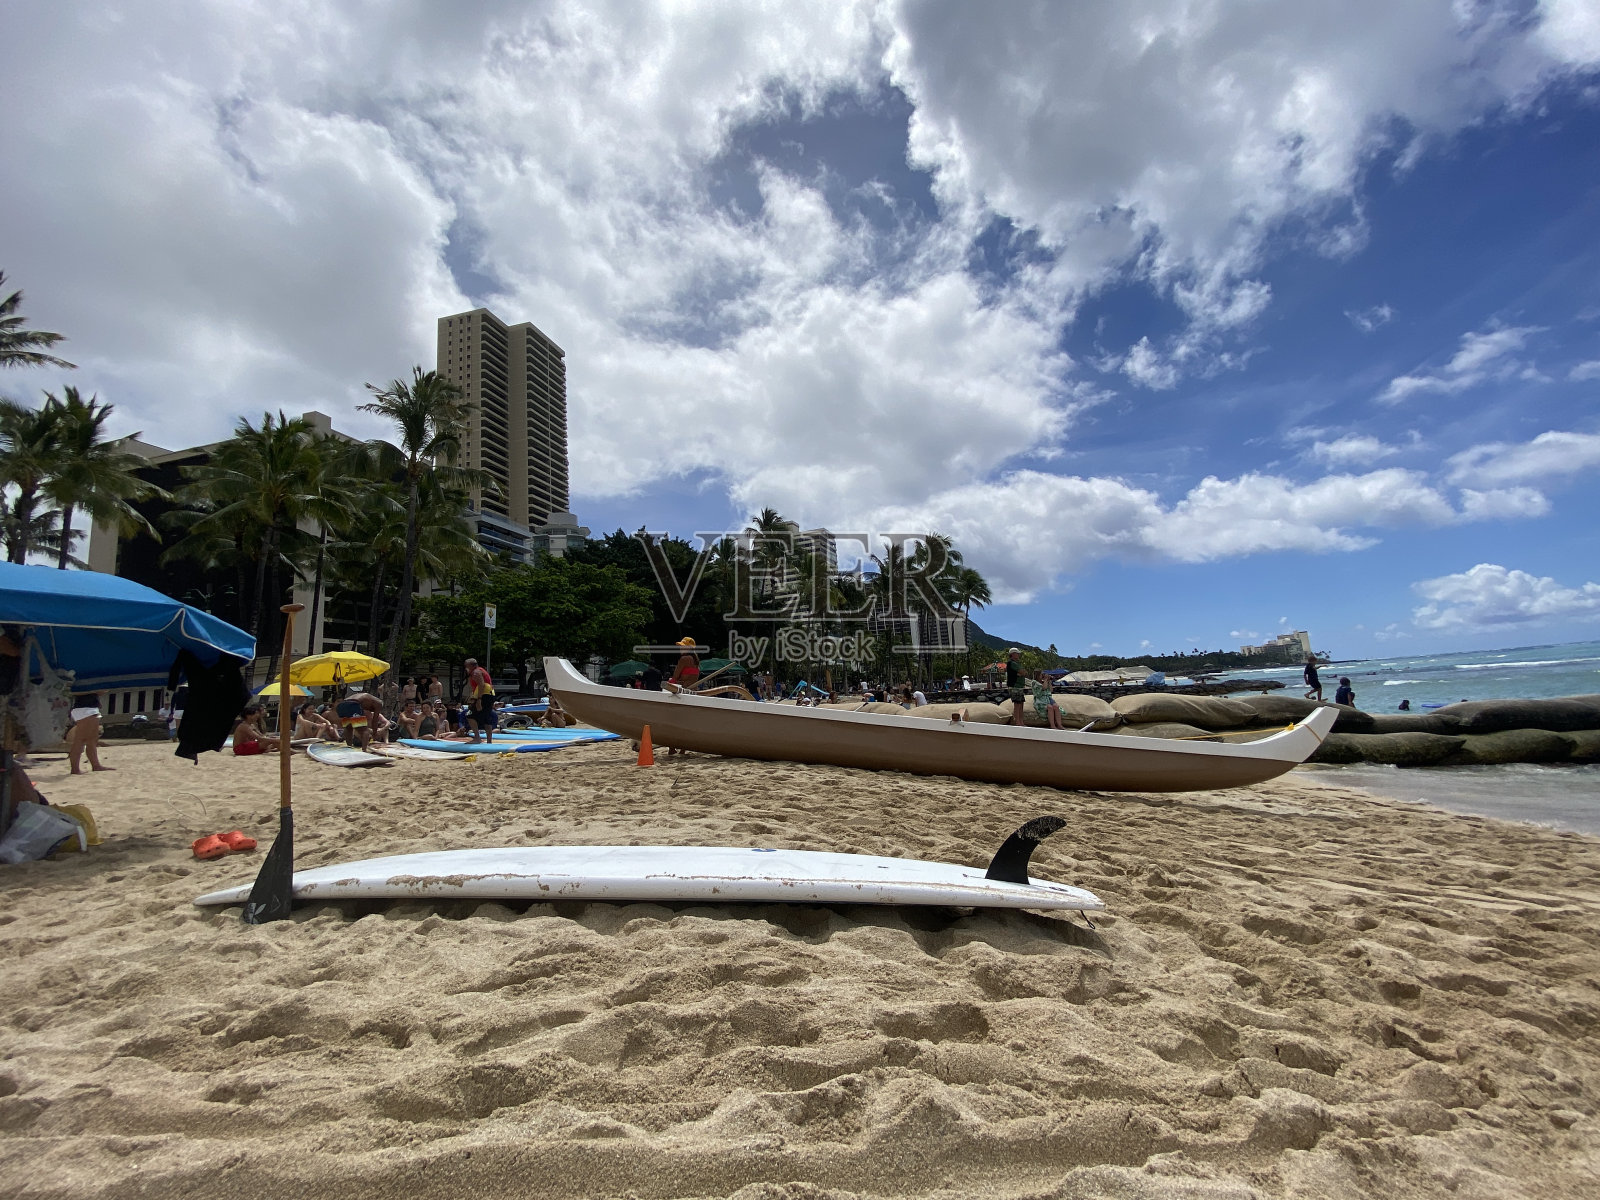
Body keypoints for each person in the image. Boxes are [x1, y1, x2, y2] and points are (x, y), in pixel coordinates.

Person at [67, 693, 111, 774]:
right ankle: (75, 769)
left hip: (88, 708)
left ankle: (96, 765)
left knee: (92, 740)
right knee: (80, 740)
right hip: (85, 709)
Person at [463, 656, 496, 743]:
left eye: (466, 666)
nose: (466, 668)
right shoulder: (481, 670)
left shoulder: (476, 672)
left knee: (469, 715)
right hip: (489, 695)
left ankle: (477, 738)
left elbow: (481, 685)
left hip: (484, 696)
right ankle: (489, 741)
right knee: (486, 718)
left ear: (471, 665)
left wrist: (479, 700)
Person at [1005, 648, 1026, 726]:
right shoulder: (1012, 663)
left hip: (1019, 686)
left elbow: (1024, 672)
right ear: (1013, 654)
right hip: (1015, 686)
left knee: (1021, 703)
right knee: (1017, 704)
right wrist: (1020, 673)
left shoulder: (1016, 663)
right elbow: (1023, 672)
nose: (1018, 655)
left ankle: (1021, 722)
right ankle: (1018, 722)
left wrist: (1021, 673)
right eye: (1017, 653)